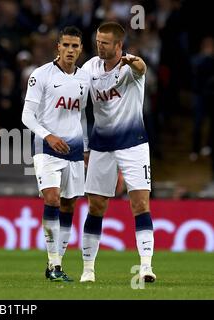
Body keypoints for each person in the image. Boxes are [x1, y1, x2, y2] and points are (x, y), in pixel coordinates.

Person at [80, 22, 156, 283]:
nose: (99, 45)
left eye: (105, 42)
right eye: (98, 40)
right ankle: (88, 270)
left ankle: (146, 266)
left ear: (118, 45)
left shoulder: (130, 68)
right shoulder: (89, 68)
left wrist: (135, 62)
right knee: (96, 206)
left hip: (133, 143)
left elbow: (141, 68)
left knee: (140, 204)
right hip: (101, 145)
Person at [22, 26, 90, 282]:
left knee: (69, 203)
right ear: (57, 48)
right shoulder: (40, 75)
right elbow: (26, 116)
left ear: (81, 49)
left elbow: (80, 116)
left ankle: (57, 263)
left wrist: (83, 147)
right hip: (46, 147)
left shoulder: (85, 79)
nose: (70, 50)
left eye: (75, 46)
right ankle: (53, 265)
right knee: (51, 199)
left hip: (72, 149)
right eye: (66, 46)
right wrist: (47, 135)